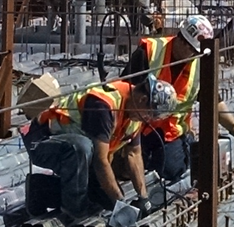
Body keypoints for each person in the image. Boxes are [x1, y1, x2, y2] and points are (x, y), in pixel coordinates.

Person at [125, 14, 234, 181]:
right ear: (180, 39)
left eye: (197, 52)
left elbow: (214, 103)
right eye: (191, 50)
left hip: (169, 132)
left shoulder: (200, 65)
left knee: (171, 170)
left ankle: (182, 144)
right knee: (126, 168)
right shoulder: (150, 51)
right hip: (136, 126)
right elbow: (125, 91)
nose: (193, 55)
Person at [33, 75, 176, 217]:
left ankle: (39, 188)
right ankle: (74, 210)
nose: (149, 120)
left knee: (105, 199)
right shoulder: (104, 104)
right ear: (143, 99)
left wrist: (143, 197)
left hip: (81, 156)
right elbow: (100, 160)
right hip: (43, 141)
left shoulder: (135, 110)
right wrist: (121, 202)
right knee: (82, 147)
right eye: (151, 115)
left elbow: (134, 154)